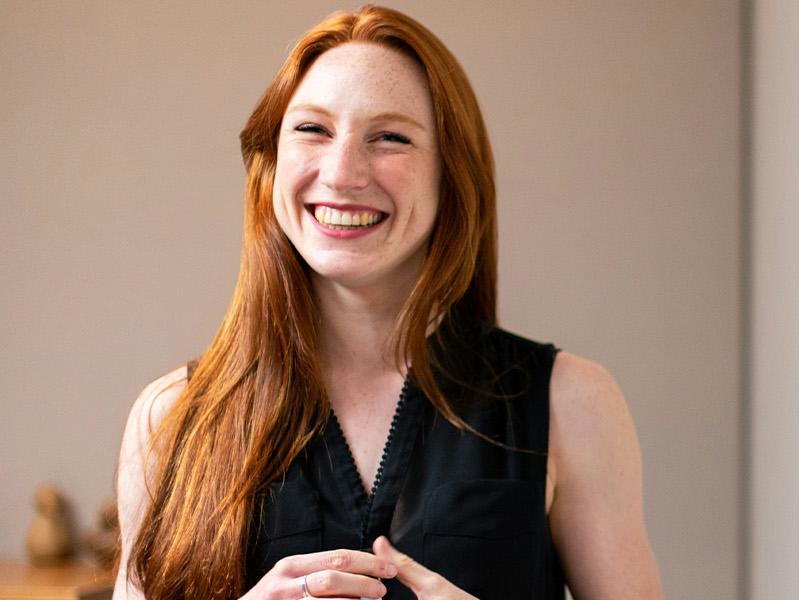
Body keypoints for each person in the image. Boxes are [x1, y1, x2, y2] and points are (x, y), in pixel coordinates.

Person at [113, 6, 661, 599]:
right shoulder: (169, 419)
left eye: (390, 138)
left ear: (452, 177)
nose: (343, 173)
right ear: (270, 164)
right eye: (312, 129)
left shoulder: (572, 405)